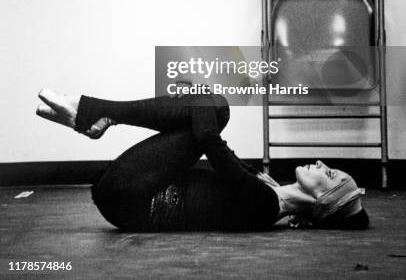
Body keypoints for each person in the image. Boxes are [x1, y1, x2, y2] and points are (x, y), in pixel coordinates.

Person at [36, 89, 369, 231]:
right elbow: (212, 141)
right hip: (128, 194)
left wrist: (201, 99)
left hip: (130, 199)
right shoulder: (266, 188)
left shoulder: (263, 206)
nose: (323, 163)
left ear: (322, 198)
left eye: (331, 174)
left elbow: (210, 141)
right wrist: (198, 99)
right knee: (209, 105)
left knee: (215, 106)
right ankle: (96, 113)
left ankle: (97, 112)